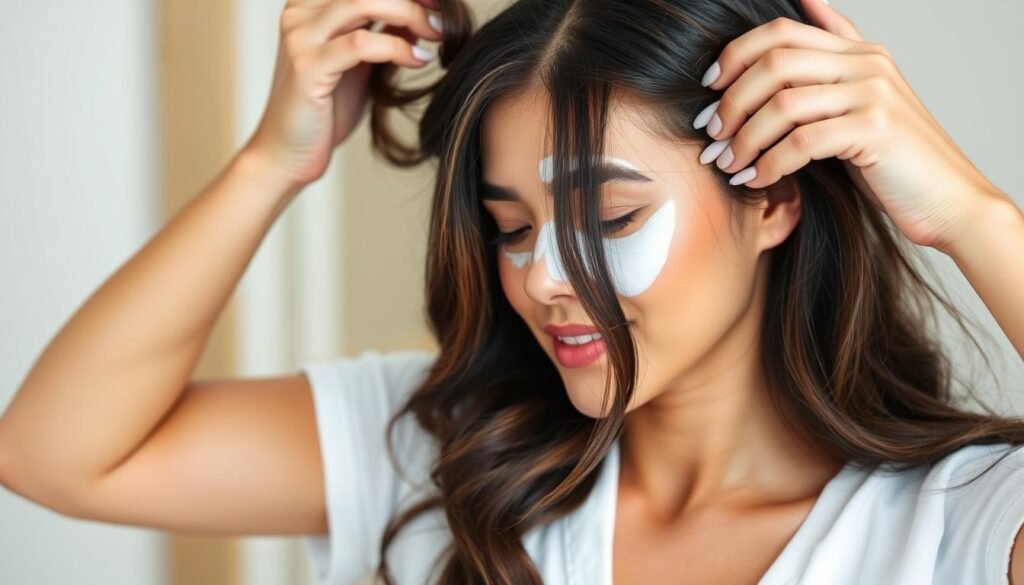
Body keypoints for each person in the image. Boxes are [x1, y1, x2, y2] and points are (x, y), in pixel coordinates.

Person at [1, 0, 1023, 584]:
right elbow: (54, 456)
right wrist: (274, 161)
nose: (543, 279)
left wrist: (972, 214)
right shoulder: (453, 451)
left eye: (610, 220)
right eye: (511, 229)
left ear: (773, 203)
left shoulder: (958, 522)